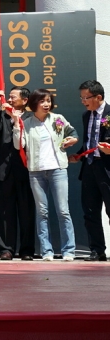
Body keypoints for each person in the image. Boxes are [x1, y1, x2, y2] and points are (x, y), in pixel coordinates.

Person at [13, 88, 78, 262]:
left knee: (63, 211)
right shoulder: (26, 123)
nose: (46, 104)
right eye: (42, 101)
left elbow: (72, 133)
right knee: (42, 212)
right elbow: (19, 145)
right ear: (34, 103)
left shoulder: (58, 119)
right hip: (36, 171)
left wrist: (71, 140)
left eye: (48, 101)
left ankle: (69, 250)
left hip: (57, 169)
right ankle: (46, 250)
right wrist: (16, 125)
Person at [0, 87, 36, 260]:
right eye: (10, 97)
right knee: (5, 213)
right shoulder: (3, 116)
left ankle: (27, 250)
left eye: (14, 97)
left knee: (27, 212)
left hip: (26, 170)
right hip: (4, 171)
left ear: (25, 100)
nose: (11, 99)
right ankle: (6, 249)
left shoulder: (31, 118)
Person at [69, 80, 110, 262]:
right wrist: (78, 155)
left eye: (86, 98)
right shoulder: (87, 116)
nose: (83, 101)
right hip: (90, 168)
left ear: (98, 97)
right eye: (81, 98)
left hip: (107, 168)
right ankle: (97, 250)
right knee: (90, 210)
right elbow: (88, 142)